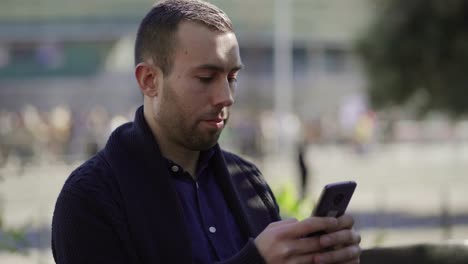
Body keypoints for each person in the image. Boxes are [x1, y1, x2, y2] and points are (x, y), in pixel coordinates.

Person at [51, 1, 361, 263]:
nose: (226, 96)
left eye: (232, 77)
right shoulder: (90, 198)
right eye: (206, 77)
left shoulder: (248, 180)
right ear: (149, 80)